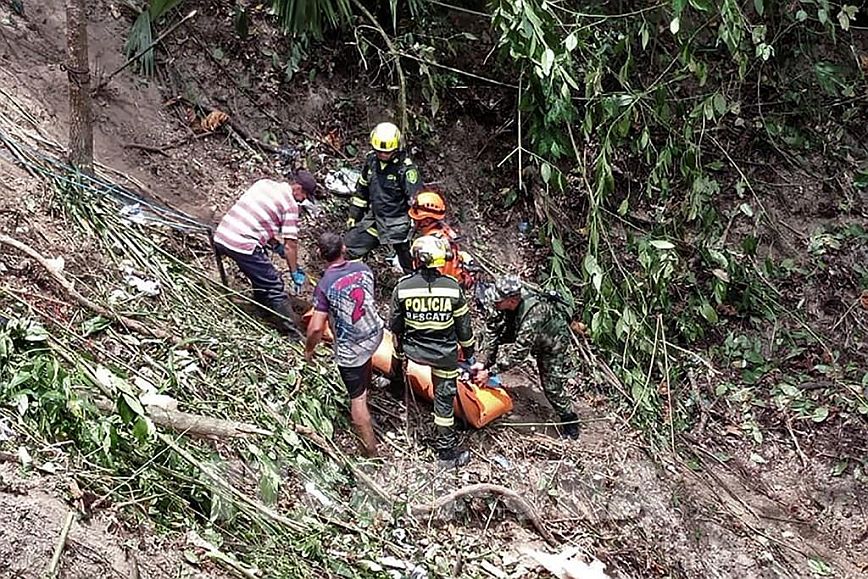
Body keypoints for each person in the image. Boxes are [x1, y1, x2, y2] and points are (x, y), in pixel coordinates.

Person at [390, 235, 475, 468]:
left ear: (416, 259)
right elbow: (464, 329)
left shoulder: (403, 288)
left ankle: (395, 383)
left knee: (396, 346)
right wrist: (469, 356)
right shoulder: (453, 288)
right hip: (443, 355)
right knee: (444, 402)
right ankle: (446, 452)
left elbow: (395, 326)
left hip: (412, 350)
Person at [471, 275, 580, 438]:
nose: (495, 304)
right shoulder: (501, 302)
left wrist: (491, 372)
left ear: (512, 301)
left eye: (498, 301)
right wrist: (482, 361)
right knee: (485, 338)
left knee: (552, 387)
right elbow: (492, 331)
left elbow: (518, 354)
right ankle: (483, 373)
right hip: (519, 328)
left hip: (551, 343)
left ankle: (569, 421)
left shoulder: (534, 314)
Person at [305, 232, 383, 456]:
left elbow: (317, 327)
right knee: (364, 362)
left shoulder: (325, 285)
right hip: (375, 333)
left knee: (356, 400)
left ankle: (371, 454)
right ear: (344, 248)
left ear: (321, 255)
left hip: (352, 348)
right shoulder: (364, 269)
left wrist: (309, 351)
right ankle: (367, 391)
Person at [213, 171, 317, 333]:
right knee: (274, 284)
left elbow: (258, 220)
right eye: (304, 196)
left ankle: (262, 308)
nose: (302, 200)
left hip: (223, 235)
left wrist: (276, 245)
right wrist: (294, 270)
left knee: (262, 271)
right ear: (298, 188)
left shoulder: (264, 184)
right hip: (242, 244)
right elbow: (291, 245)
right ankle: (292, 332)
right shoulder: (290, 205)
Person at [345, 122, 423, 273]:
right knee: (349, 247)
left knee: (410, 264)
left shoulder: (405, 169)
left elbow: (416, 201)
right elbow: (362, 190)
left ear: (396, 149)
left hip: (399, 224)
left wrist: (415, 227)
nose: (382, 155)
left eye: (386, 152)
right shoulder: (371, 161)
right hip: (375, 220)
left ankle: (413, 284)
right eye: (379, 151)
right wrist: (354, 215)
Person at [408, 189, 476, 289]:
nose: (413, 220)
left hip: (441, 287)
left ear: (426, 220)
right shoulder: (445, 233)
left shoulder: (429, 244)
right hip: (453, 284)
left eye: (417, 218)